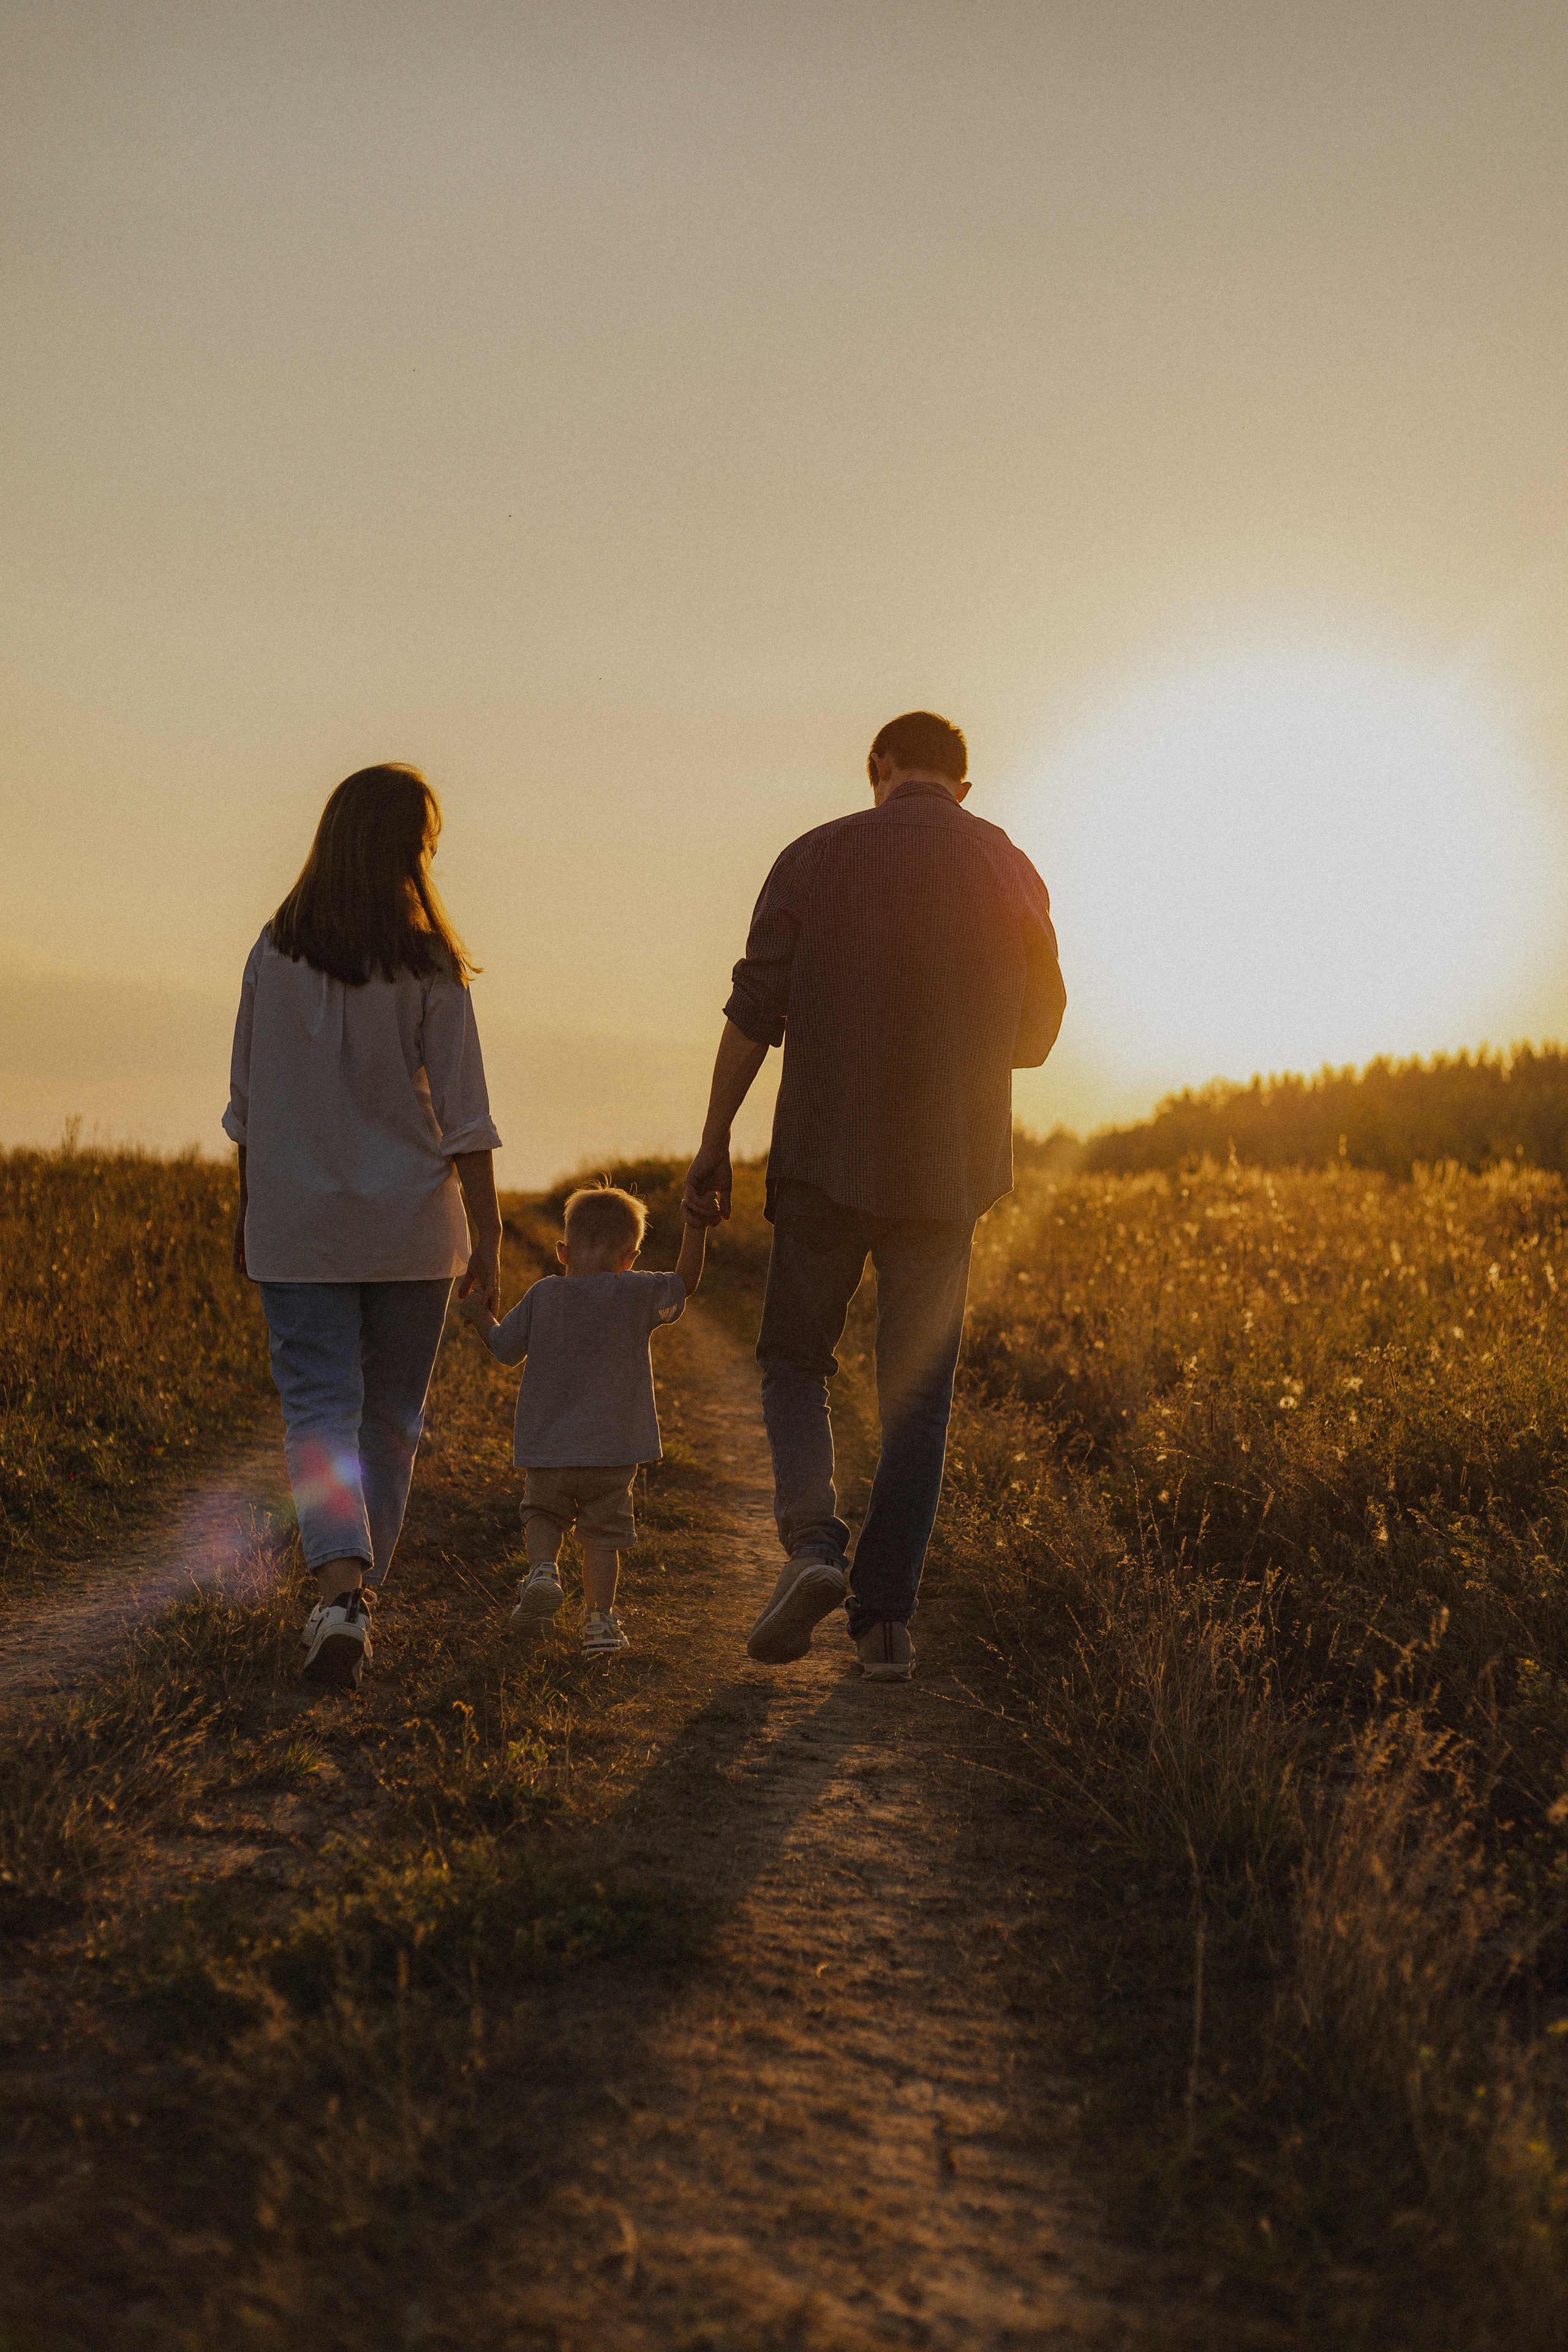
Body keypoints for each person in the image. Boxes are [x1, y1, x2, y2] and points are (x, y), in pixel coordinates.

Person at [682, 710, 1065, 1683]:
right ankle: (885, 1625)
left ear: (879, 770)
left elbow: (752, 1014)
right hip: (949, 1172)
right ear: (963, 788)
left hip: (822, 1155)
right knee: (918, 1399)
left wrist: (714, 1140)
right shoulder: (1008, 865)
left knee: (794, 1360)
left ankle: (814, 1548)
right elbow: (1038, 1036)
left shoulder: (814, 856)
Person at [225, 763, 502, 1691]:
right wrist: (491, 1239)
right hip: (412, 1232)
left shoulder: (273, 950)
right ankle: (354, 1597)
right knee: (390, 1418)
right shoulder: (429, 964)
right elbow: (466, 1118)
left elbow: (249, 1110)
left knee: (319, 1408)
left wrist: (249, 1212)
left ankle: (338, 1590)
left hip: (299, 1225)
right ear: (405, 849)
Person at [456, 1183, 706, 1656]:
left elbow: (506, 1351)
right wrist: (696, 1227)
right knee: (602, 1537)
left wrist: (478, 1313)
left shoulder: (544, 1295)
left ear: (562, 1251)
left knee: (543, 1513)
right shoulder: (636, 1292)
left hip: (549, 1449)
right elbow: (685, 1282)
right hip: (613, 1452)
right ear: (631, 1257)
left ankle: (544, 1572)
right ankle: (599, 1624)